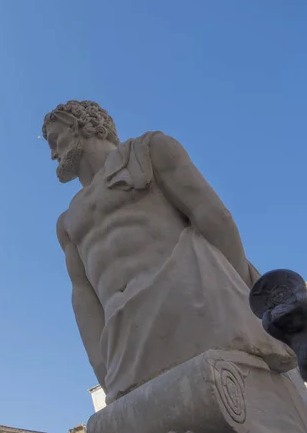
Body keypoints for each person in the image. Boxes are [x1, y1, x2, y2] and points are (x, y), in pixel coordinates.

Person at [43, 100, 294, 403]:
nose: (54, 153)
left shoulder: (149, 150)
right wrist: (102, 365)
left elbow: (212, 216)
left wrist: (244, 298)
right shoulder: (67, 221)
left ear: (79, 125)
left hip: (193, 302)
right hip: (126, 338)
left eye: (56, 140)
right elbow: (83, 296)